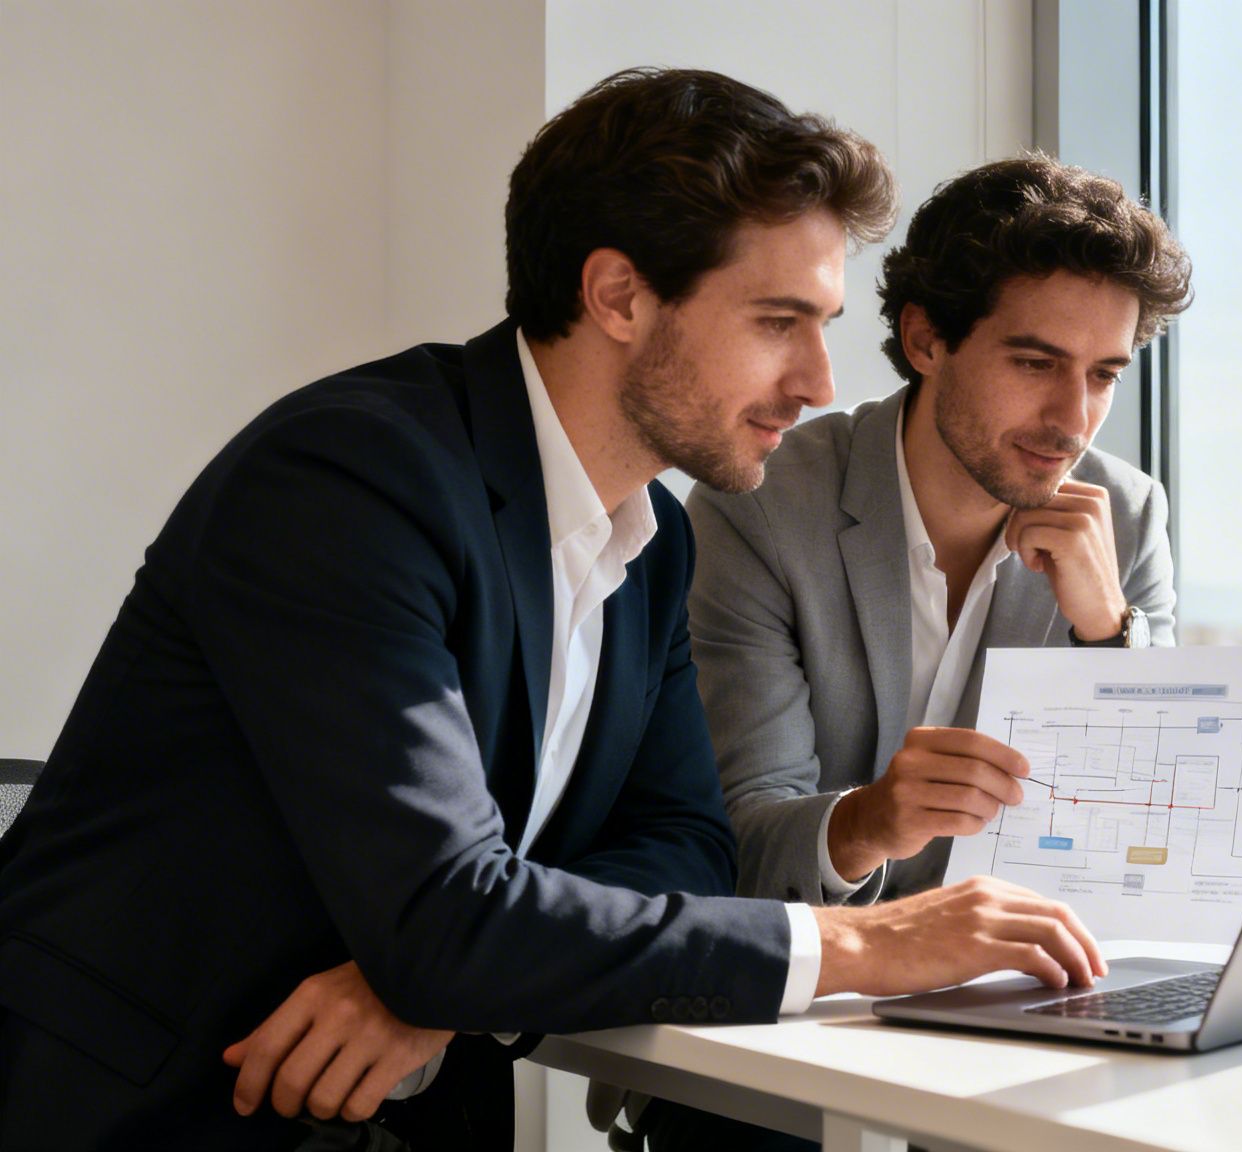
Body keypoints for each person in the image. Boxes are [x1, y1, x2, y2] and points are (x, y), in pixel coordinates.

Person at [0, 68, 1103, 1151]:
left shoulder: (654, 539)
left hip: (404, 1111)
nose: (819, 379)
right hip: (146, 1105)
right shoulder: (350, 481)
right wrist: (862, 946)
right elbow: (449, 918)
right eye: (778, 321)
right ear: (618, 294)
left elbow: (683, 846)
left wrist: (454, 966)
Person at [686, 154, 1194, 906]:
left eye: (1103, 375)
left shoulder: (1126, 513)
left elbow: (1155, 846)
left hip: (1027, 976)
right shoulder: (760, 505)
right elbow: (738, 840)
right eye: (1034, 362)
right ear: (925, 341)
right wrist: (866, 823)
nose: (1073, 420)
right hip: (820, 991)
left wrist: (1108, 635)